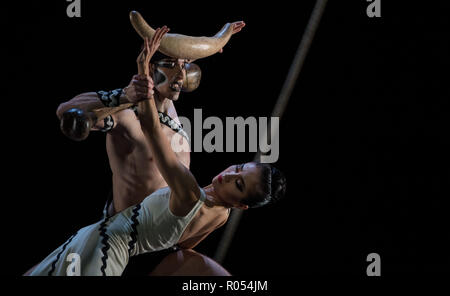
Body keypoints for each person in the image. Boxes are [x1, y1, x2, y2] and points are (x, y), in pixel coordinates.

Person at [26, 31, 286, 276]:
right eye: (238, 168)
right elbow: (67, 112)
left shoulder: (195, 192)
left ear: (241, 204)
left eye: (239, 183)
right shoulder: (130, 118)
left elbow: (153, 126)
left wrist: (150, 71)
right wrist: (129, 92)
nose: (229, 175)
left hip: (135, 250)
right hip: (112, 238)